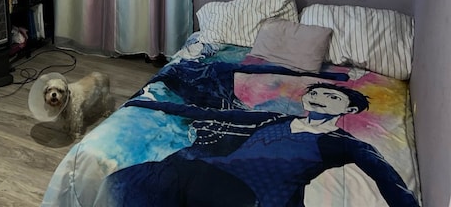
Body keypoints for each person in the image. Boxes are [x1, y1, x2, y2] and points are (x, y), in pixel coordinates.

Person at [95, 82, 419, 207]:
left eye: (332, 96)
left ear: (348, 109)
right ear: (306, 96)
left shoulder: (341, 143)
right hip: (204, 171)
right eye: (317, 92)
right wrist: (146, 104)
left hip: (251, 195)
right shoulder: (271, 119)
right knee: (125, 182)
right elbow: (202, 112)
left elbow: (386, 178)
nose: (320, 98)